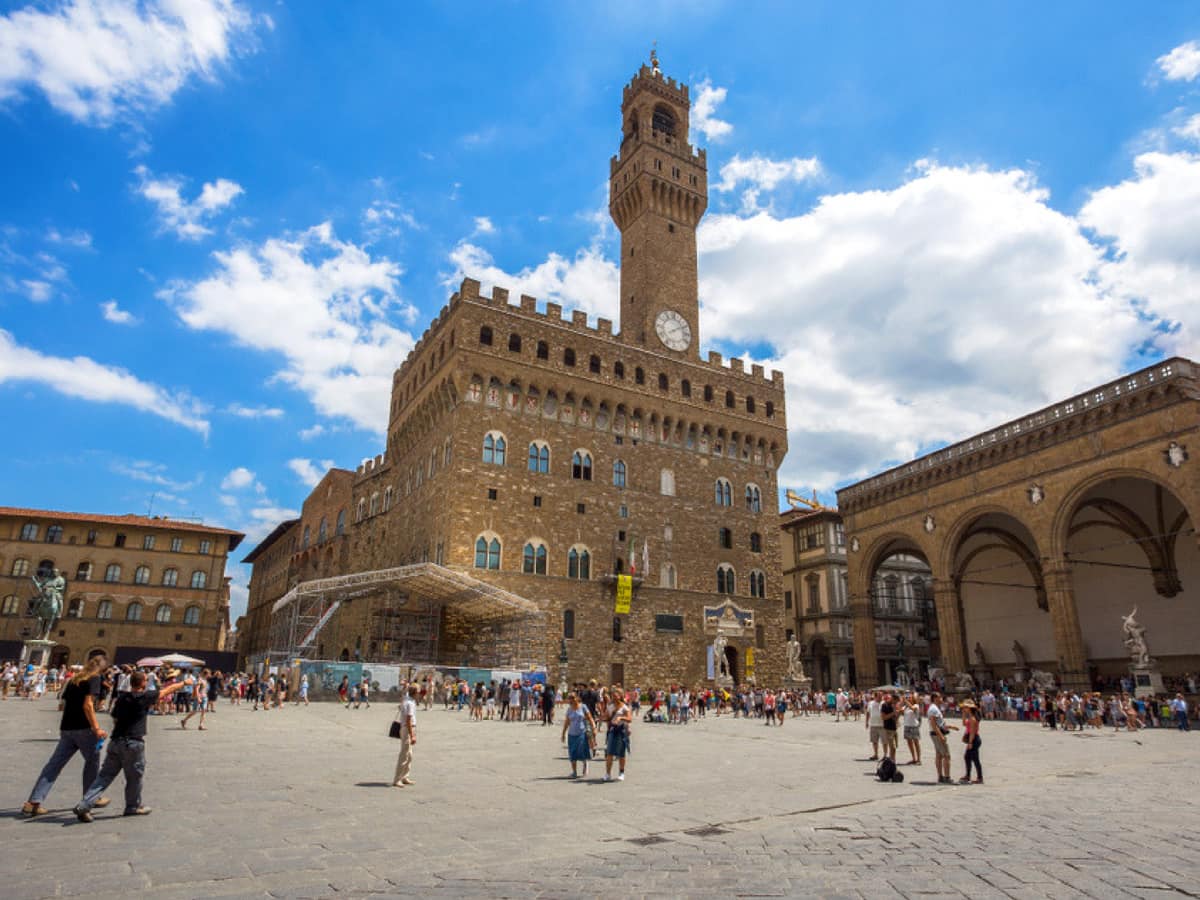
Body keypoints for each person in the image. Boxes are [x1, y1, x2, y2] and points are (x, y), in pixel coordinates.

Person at [74, 670, 186, 821]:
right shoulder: (145, 697)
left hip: (116, 741)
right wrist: (184, 683)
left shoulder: (122, 698)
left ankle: (84, 804)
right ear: (143, 683)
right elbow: (167, 690)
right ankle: (133, 806)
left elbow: (114, 718)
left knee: (104, 776)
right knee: (134, 777)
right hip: (133, 743)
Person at [22, 655, 111, 816]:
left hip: (67, 728)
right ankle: (91, 798)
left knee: (54, 765)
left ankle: (33, 802)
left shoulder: (74, 679)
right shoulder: (95, 678)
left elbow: (63, 704)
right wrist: (96, 728)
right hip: (84, 729)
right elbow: (88, 705)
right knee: (92, 762)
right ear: (103, 669)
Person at [561, 693, 596, 778]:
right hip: (571, 734)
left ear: (577, 698)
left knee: (582, 751)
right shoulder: (569, 709)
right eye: (569, 698)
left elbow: (590, 717)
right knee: (572, 753)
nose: (571, 700)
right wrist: (563, 733)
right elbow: (567, 722)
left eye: (572, 698)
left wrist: (594, 727)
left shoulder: (583, 707)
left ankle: (585, 764)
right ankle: (574, 772)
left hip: (582, 732)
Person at [603, 684, 632, 782]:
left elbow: (629, 718)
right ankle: (608, 773)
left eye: (616, 695)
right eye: (613, 696)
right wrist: (603, 718)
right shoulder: (610, 706)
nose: (614, 697)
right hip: (612, 731)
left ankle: (621, 772)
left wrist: (620, 718)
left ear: (620, 696)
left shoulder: (624, 707)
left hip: (621, 731)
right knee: (609, 753)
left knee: (621, 754)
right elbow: (606, 717)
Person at [926, 692, 957, 785]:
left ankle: (940, 776)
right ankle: (947, 777)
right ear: (935, 698)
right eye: (940, 697)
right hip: (937, 735)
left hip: (935, 734)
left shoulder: (934, 708)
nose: (941, 699)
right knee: (946, 756)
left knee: (939, 755)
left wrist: (950, 727)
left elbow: (939, 723)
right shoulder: (933, 709)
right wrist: (941, 736)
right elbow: (933, 724)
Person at [393, 685, 417, 787]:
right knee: (404, 755)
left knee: (409, 755)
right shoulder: (410, 703)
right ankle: (397, 779)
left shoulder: (406, 700)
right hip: (408, 728)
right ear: (415, 693)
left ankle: (405, 776)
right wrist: (412, 735)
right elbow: (408, 720)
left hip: (405, 728)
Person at [959, 699, 983, 784]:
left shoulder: (972, 718)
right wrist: (964, 715)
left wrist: (970, 743)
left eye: (965, 707)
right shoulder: (971, 717)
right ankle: (968, 775)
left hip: (974, 739)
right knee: (967, 757)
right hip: (973, 739)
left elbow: (972, 732)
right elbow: (964, 724)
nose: (964, 708)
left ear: (969, 708)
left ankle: (979, 778)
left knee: (975, 759)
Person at [901, 693, 922, 765]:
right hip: (907, 725)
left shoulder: (916, 705)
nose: (908, 698)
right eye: (908, 697)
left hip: (914, 726)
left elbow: (913, 709)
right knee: (909, 743)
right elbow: (900, 711)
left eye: (910, 697)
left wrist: (905, 701)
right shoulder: (905, 707)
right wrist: (901, 702)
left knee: (916, 743)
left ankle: (919, 759)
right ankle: (913, 758)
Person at [865, 691, 883, 759]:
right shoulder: (871, 703)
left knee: (884, 741)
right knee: (874, 741)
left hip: (882, 724)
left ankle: (885, 755)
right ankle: (876, 754)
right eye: (879, 696)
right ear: (875, 696)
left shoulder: (884, 703)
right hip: (873, 724)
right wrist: (866, 722)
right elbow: (868, 713)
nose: (880, 697)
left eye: (881, 696)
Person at [880, 692, 898, 759]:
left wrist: (897, 714)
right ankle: (891, 763)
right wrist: (893, 713)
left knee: (894, 748)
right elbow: (883, 717)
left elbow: (895, 718)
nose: (896, 703)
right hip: (888, 729)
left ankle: (893, 762)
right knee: (892, 747)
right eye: (895, 701)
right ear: (892, 699)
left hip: (894, 728)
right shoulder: (885, 705)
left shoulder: (894, 706)